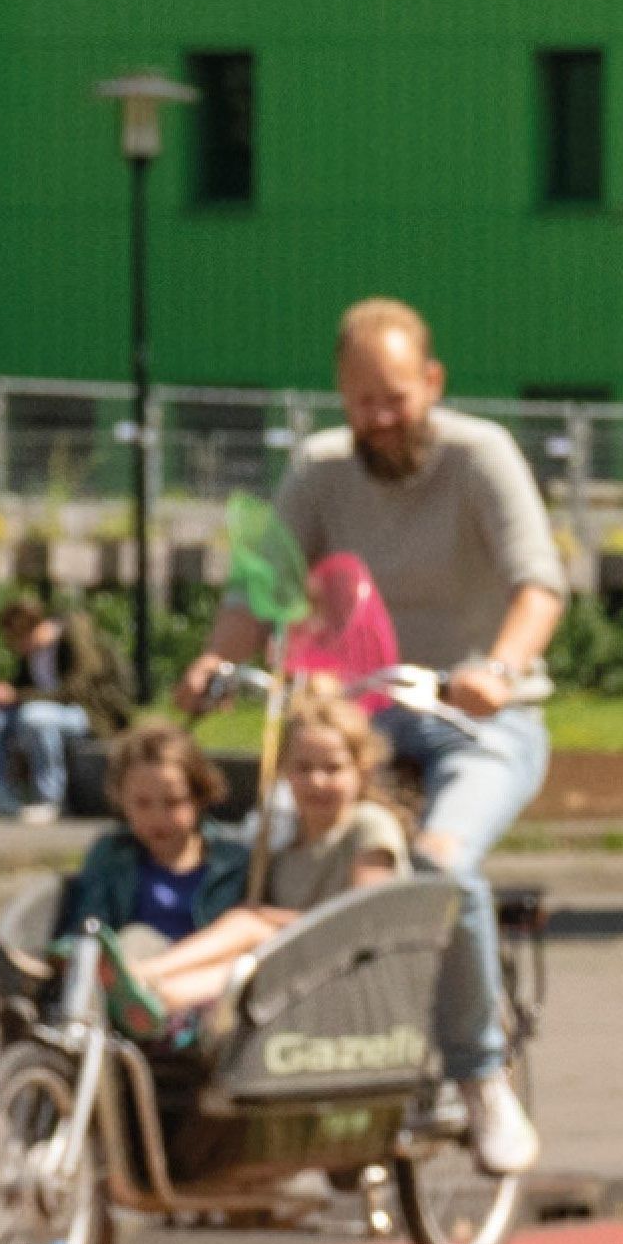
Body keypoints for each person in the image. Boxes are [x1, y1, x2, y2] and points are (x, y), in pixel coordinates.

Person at [187, 300, 555, 1174]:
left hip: (476, 722)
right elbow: (258, 591)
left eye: (393, 399)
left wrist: (497, 670)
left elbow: (538, 585)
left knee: (437, 865)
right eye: (360, 403)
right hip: (366, 720)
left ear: (432, 382)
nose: (378, 421)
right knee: (266, 847)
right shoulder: (318, 471)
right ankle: (267, 1041)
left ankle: (480, 1076)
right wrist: (210, 665)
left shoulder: (480, 457)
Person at [99, 689, 416, 1037]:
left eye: (333, 768)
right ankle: (156, 997)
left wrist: (267, 918)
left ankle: (146, 974)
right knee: (244, 955)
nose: (317, 781)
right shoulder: (281, 847)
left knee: (250, 926)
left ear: (362, 770)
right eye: (303, 768)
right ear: (284, 772)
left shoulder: (367, 824)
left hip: (352, 966)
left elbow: (369, 916)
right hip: (293, 971)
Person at [47, 719, 256, 1029]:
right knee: (133, 940)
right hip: (129, 975)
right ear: (122, 801)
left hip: (201, 986)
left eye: (173, 802)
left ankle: (146, 1008)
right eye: (143, 804)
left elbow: (245, 936)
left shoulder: (234, 861)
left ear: (199, 797)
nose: (158, 818)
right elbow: (91, 922)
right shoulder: (112, 855)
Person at [0, 594, 116, 823]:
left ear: (38, 628)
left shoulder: (72, 638)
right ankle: (1, 797)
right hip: (41, 712)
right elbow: (25, 687)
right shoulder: (31, 655)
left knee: (34, 716)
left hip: (86, 713)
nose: (18, 648)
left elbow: (77, 691)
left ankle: (51, 800)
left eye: (19, 640)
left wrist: (17, 696)